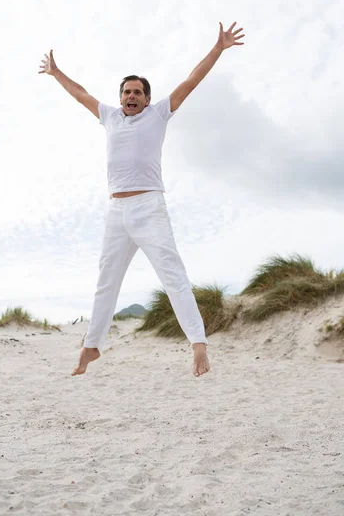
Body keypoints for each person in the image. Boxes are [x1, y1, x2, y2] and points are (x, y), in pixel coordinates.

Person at [39, 22, 245, 377]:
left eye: (137, 93)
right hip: (116, 211)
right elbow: (80, 93)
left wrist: (218, 48)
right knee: (107, 280)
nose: (131, 97)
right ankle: (91, 346)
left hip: (149, 207)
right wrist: (56, 72)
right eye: (126, 93)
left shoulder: (159, 113)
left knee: (173, 275)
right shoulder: (109, 117)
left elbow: (191, 80)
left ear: (147, 98)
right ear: (120, 97)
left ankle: (198, 345)